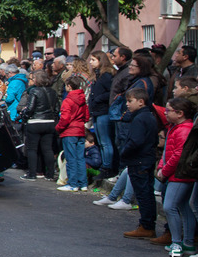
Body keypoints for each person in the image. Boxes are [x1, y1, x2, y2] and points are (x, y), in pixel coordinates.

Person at [157, 97, 197, 255]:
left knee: (170, 206)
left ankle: (176, 242)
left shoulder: (183, 129)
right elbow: (168, 151)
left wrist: (164, 170)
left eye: (168, 111)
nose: (165, 113)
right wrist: (162, 166)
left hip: (179, 174)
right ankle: (187, 242)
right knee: (184, 207)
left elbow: (178, 154)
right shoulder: (177, 128)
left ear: (180, 113)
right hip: (177, 173)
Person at [120, 89, 160, 240]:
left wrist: (124, 152)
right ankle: (147, 224)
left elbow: (135, 141)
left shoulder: (140, 118)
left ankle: (146, 225)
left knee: (143, 194)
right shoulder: (148, 116)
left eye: (130, 101)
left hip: (139, 160)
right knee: (146, 193)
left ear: (141, 101)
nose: (127, 104)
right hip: (146, 158)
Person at [18, 70, 60, 181]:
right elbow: (57, 109)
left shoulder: (34, 91)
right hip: (49, 122)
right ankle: (50, 174)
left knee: (32, 149)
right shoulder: (53, 91)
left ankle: (32, 174)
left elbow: (31, 108)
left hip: (35, 122)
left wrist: (25, 115)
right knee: (47, 149)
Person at [55, 74, 90, 192]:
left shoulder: (68, 100)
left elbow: (65, 118)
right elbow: (86, 116)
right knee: (80, 158)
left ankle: (73, 183)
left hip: (69, 131)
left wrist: (58, 128)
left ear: (69, 86)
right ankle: (83, 183)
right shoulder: (82, 100)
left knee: (71, 158)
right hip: (80, 130)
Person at [88, 52, 117, 180]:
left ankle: (108, 167)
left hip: (104, 111)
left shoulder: (106, 76)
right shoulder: (98, 75)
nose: (91, 62)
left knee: (105, 141)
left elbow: (111, 93)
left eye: (93, 60)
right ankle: (104, 166)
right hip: (97, 112)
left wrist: (98, 99)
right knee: (101, 141)